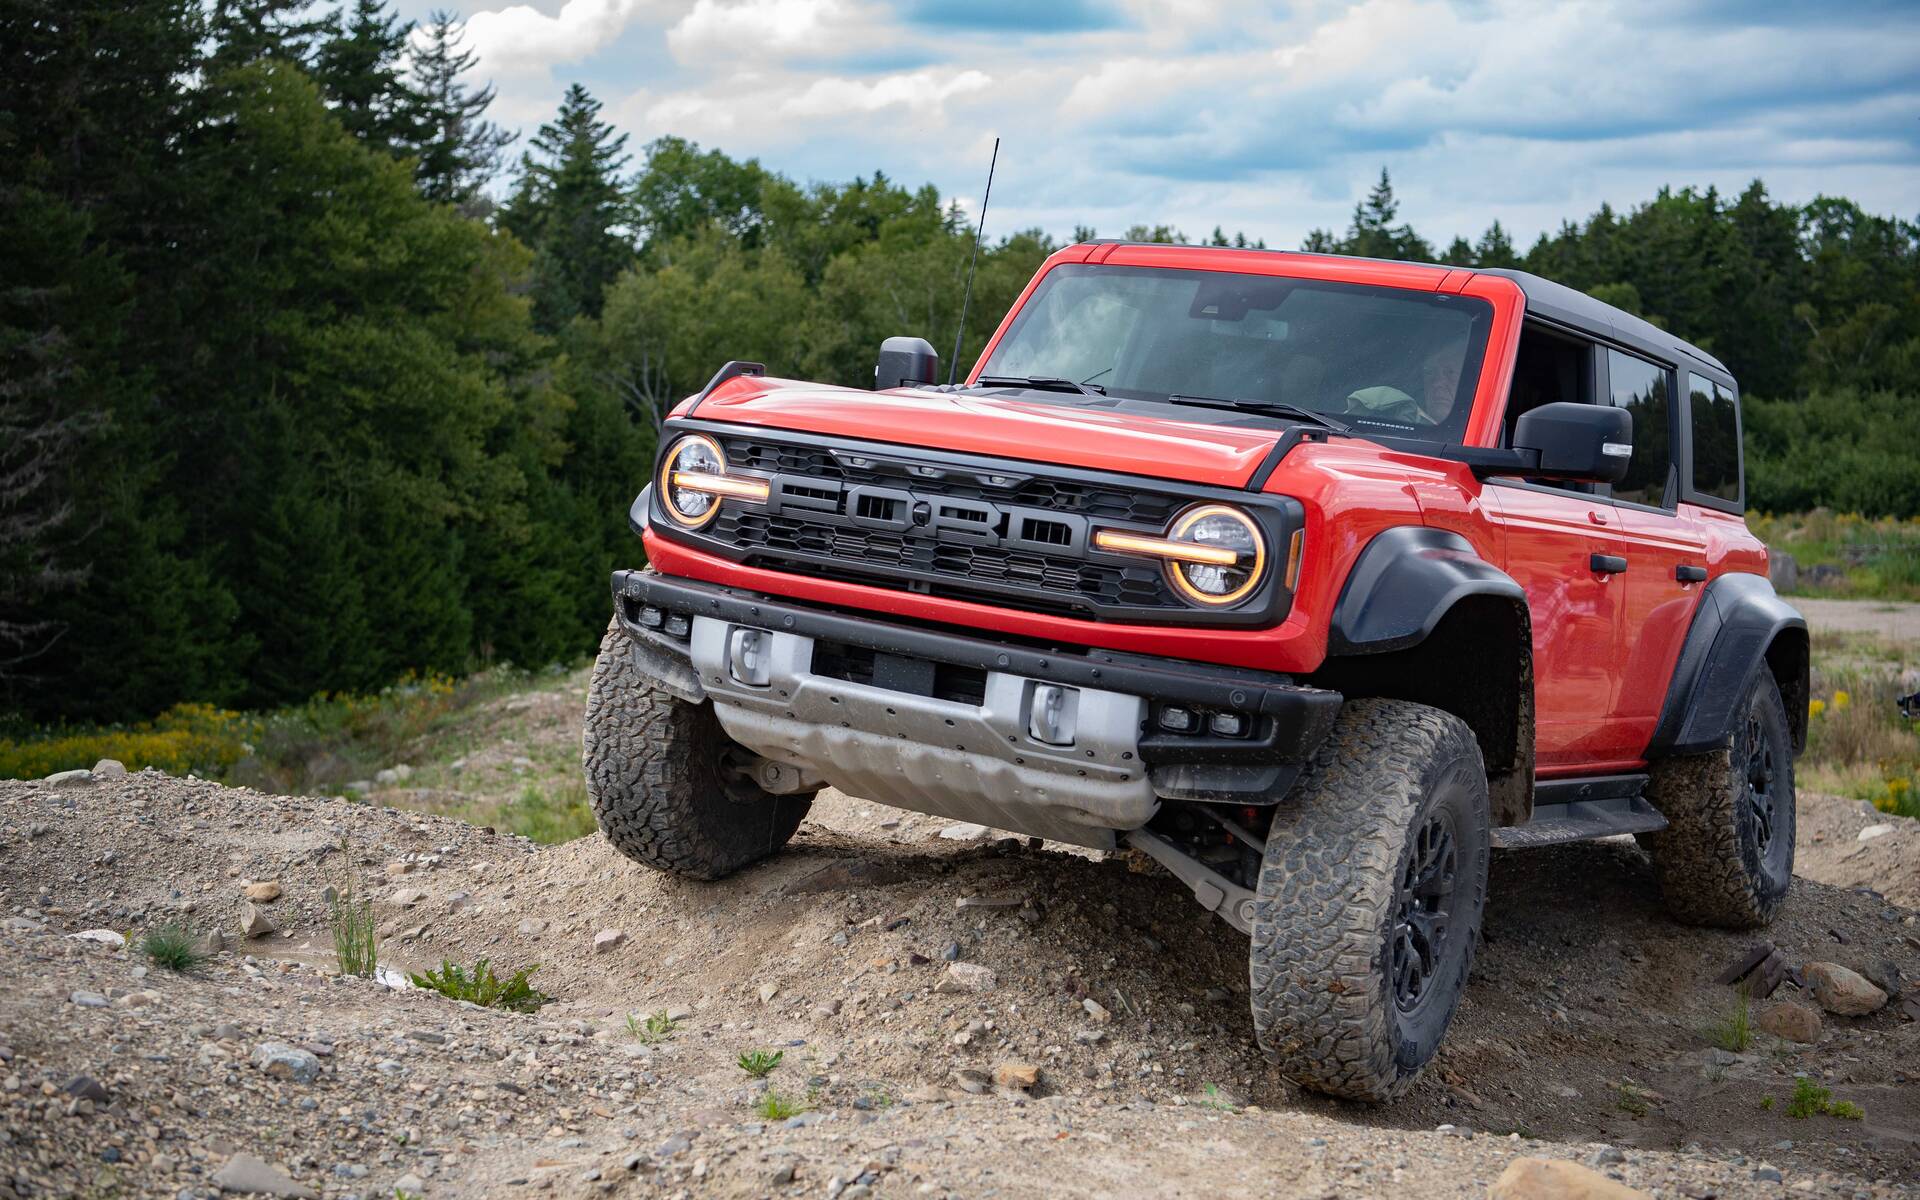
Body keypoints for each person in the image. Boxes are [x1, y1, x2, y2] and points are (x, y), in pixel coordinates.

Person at [1344, 338, 1467, 427]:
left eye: (1450, 373)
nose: (1437, 383)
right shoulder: (1394, 426)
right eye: (1429, 373)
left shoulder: (1481, 436)